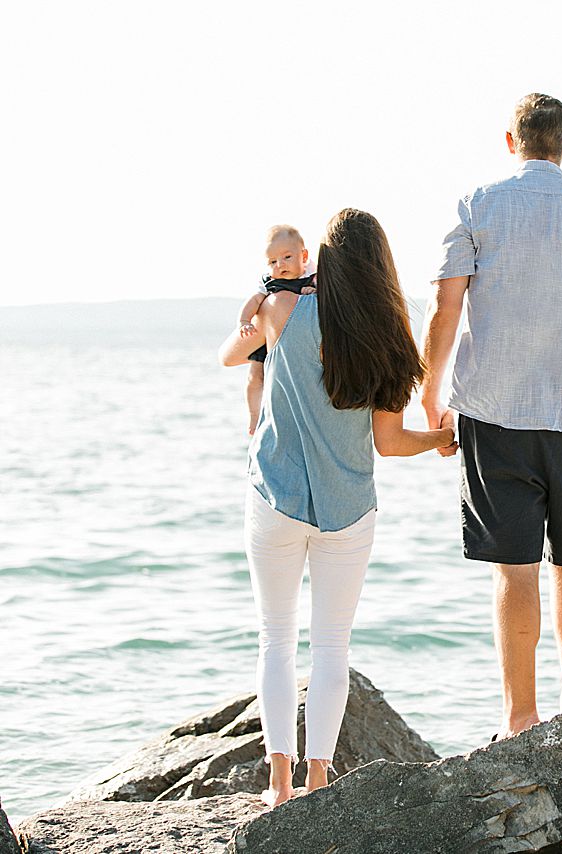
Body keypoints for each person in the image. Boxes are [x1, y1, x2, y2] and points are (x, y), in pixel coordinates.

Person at [422, 93, 562, 740]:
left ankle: (521, 717)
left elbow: (445, 308)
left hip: (494, 415)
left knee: (515, 569)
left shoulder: (476, 206)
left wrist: (430, 396)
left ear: (511, 141)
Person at [219, 208, 455, 809]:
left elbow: (229, 354)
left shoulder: (282, 312)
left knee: (276, 639)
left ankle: (276, 783)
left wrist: (257, 302)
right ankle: (318, 780)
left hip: (275, 496)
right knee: (331, 647)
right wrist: (439, 440)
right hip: (347, 509)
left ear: (324, 261)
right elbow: (389, 442)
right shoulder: (387, 338)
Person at [236, 225, 317, 435]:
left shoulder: (313, 275)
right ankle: (254, 416)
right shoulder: (270, 282)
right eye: (272, 261)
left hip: (292, 346)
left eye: (287, 257)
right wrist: (244, 321)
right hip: (267, 340)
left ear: (304, 255)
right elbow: (254, 300)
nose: (280, 265)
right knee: (254, 376)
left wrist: (314, 290)